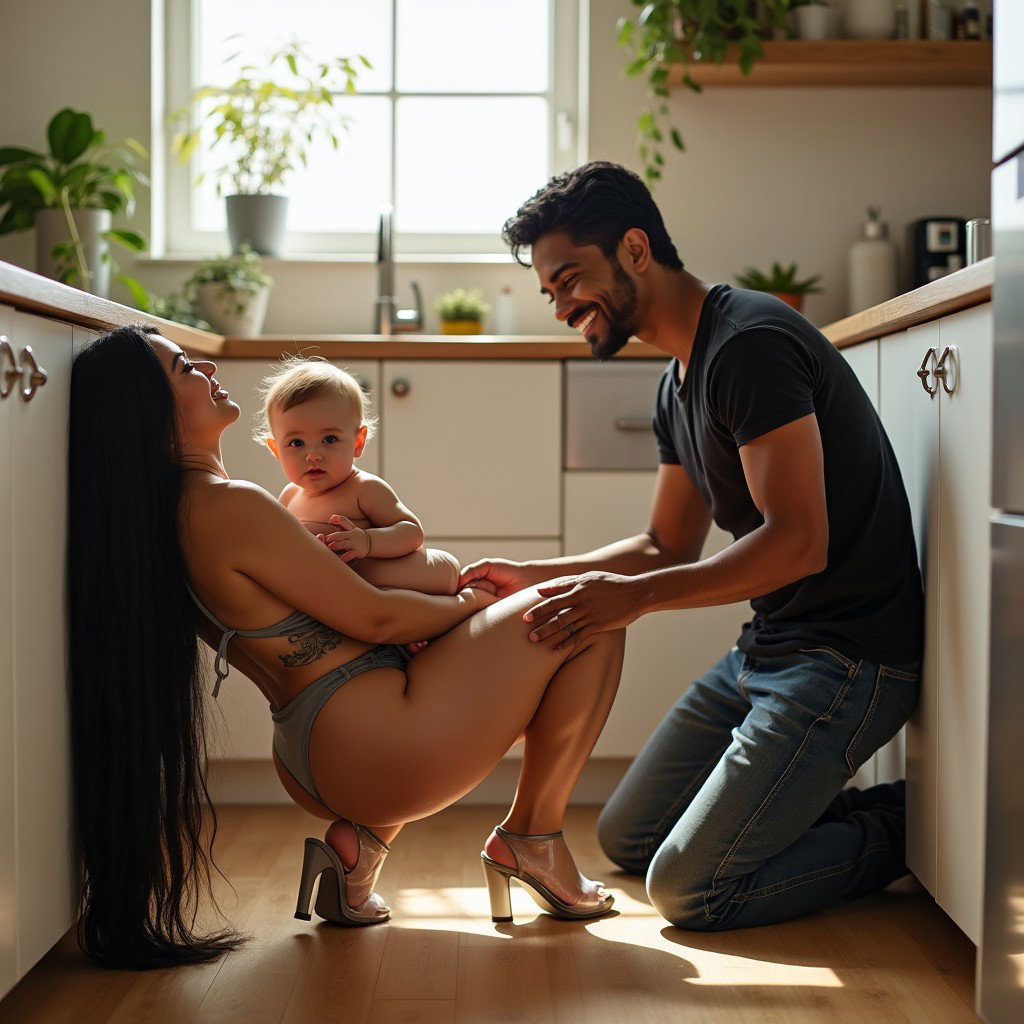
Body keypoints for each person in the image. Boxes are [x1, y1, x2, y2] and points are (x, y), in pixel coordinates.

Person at [67, 324, 625, 969]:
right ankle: (532, 837)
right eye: (184, 369)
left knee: (528, 652)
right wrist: (473, 604)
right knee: (590, 610)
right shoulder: (230, 505)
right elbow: (378, 618)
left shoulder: (163, 515)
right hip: (375, 737)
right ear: (150, 409)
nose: (208, 371)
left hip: (311, 746)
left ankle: (355, 852)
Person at [461, 160, 924, 931]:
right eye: (550, 290)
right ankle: (782, 812)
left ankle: (907, 828)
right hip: (770, 649)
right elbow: (664, 543)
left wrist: (633, 601)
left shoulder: (748, 344)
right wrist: (533, 574)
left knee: (690, 891)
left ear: (635, 249)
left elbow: (800, 544)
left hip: (851, 658)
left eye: (569, 278)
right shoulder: (676, 381)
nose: (560, 304)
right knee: (628, 836)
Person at [256, 356, 459, 601]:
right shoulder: (289, 497)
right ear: (276, 450)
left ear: (358, 442)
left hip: (389, 586)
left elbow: (412, 532)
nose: (313, 455)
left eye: (329, 439)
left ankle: (422, 623)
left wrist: (368, 541)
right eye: (296, 443)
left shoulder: (364, 489)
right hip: (342, 597)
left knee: (442, 570)